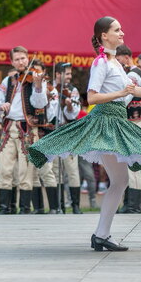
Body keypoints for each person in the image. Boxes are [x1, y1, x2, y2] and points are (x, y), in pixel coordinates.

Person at [28, 16, 141, 251]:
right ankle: (101, 234)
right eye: (117, 30)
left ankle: (102, 234)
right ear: (104, 36)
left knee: (120, 181)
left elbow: (132, 90)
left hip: (117, 120)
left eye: (121, 29)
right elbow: (92, 97)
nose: (122, 33)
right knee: (119, 180)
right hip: (106, 122)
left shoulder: (116, 64)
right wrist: (121, 92)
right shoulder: (100, 62)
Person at [0, 46, 51, 215]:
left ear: (28, 58)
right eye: (17, 59)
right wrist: (0, 106)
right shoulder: (8, 81)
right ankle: (4, 207)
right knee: (5, 168)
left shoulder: (37, 78)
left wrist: (37, 86)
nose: (21, 62)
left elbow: (39, 104)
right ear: (12, 62)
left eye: (23, 58)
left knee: (25, 170)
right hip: (9, 128)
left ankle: (24, 208)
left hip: (27, 128)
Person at [115, 45, 141, 213]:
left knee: (133, 165)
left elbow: (124, 98)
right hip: (133, 123)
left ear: (126, 57)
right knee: (128, 163)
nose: (116, 62)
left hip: (134, 123)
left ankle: (134, 206)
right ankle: (129, 203)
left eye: (118, 59)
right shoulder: (131, 73)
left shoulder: (133, 74)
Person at [49, 61, 83, 214]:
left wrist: (69, 106)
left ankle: (75, 206)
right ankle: (59, 205)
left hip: (68, 132)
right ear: (58, 74)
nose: (69, 77)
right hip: (54, 132)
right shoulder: (49, 89)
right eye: (67, 74)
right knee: (56, 170)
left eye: (70, 74)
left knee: (72, 169)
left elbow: (73, 113)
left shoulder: (73, 90)